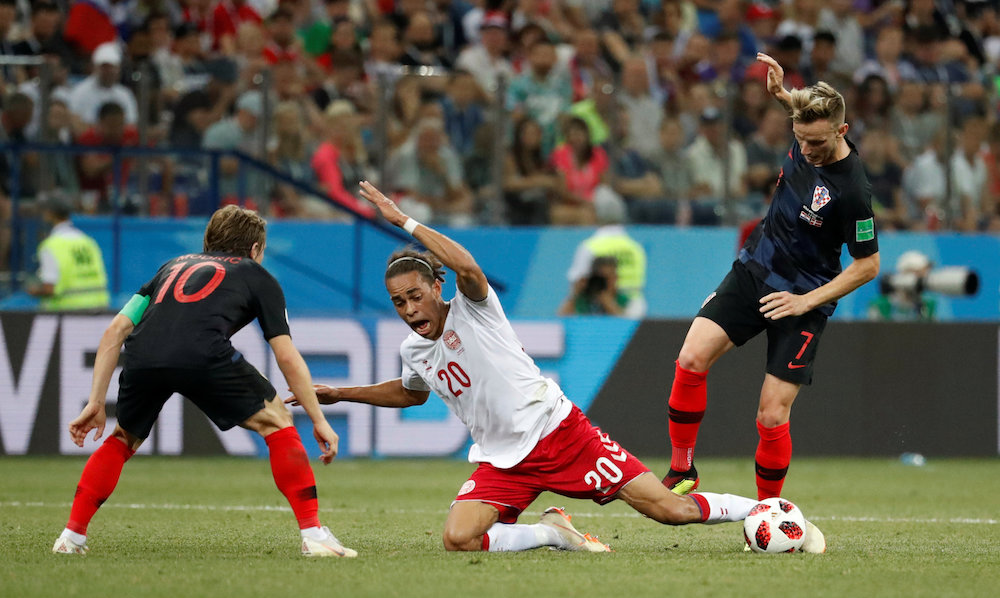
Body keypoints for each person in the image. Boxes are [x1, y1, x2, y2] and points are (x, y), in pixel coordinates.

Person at [286, 181, 826, 554]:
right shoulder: (415, 351)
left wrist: (403, 220)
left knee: (669, 511)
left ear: (437, 287)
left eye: (415, 296)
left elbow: (468, 265)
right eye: (398, 303)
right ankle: (553, 534)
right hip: (504, 461)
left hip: (560, 433)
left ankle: (773, 512)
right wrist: (340, 393)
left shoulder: (475, 308)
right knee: (458, 539)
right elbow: (410, 394)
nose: (409, 311)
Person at [52, 206, 355, 558]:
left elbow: (115, 330)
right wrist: (318, 419)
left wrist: (95, 402)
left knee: (123, 438)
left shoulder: (171, 267)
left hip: (144, 355)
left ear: (208, 242)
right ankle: (314, 535)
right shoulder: (257, 275)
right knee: (276, 422)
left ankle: (71, 538)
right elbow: (286, 355)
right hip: (203, 353)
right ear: (255, 250)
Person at [662, 54, 880, 503]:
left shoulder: (853, 191)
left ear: (842, 132)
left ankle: (768, 509)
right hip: (754, 271)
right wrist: (782, 94)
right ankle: (682, 471)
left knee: (771, 414)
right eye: (800, 139)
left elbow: (868, 265)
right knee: (690, 359)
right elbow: (800, 112)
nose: (807, 149)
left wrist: (804, 302)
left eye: (817, 142)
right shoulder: (803, 131)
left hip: (803, 298)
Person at [27, 194, 109, 312]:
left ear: (49, 214)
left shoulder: (51, 246)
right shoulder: (88, 242)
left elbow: (50, 289)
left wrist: (34, 291)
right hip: (99, 309)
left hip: (68, 313)